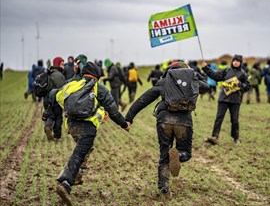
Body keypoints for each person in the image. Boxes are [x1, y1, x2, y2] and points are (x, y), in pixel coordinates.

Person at [125, 61, 209, 195]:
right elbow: (207, 87)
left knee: (164, 153)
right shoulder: (192, 81)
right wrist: (194, 73)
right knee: (186, 153)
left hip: (164, 120)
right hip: (184, 122)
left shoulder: (164, 81)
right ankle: (178, 155)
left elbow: (143, 99)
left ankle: (164, 187)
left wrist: (129, 118)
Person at [52, 61, 130, 205]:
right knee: (80, 152)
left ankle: (76, 175)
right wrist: (124, 124)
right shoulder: (98, 88)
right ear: (97, 76)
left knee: (85, 149)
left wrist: (50, 114)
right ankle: (65, 182)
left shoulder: (72, 85)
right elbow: (112, 109)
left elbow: (54, 95)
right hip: (87, 128)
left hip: (71, 125)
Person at [202, 55, 251, 145]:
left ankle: (235, 138)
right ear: (232, 61)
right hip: (223, 99)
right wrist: (206, 68)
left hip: (235, 100)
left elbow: (247, 87)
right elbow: (215, 76)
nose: (236, 62)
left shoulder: (243, 74)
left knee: (235, 120)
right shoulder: (227, 70)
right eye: (234, 60)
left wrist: (240, 84)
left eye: (238, 61)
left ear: (240, 62)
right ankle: (214, 136)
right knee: (219, 118)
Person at [43, 57, 66, 141]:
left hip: (46, 99)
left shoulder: (49, 72)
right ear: (57, 64)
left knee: (49, 114)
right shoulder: (58, 75)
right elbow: (62, 88)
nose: (63, 66)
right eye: (62, 64)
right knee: (58, 117)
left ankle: (48, 126)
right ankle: (57, 136)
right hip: (55, 98)